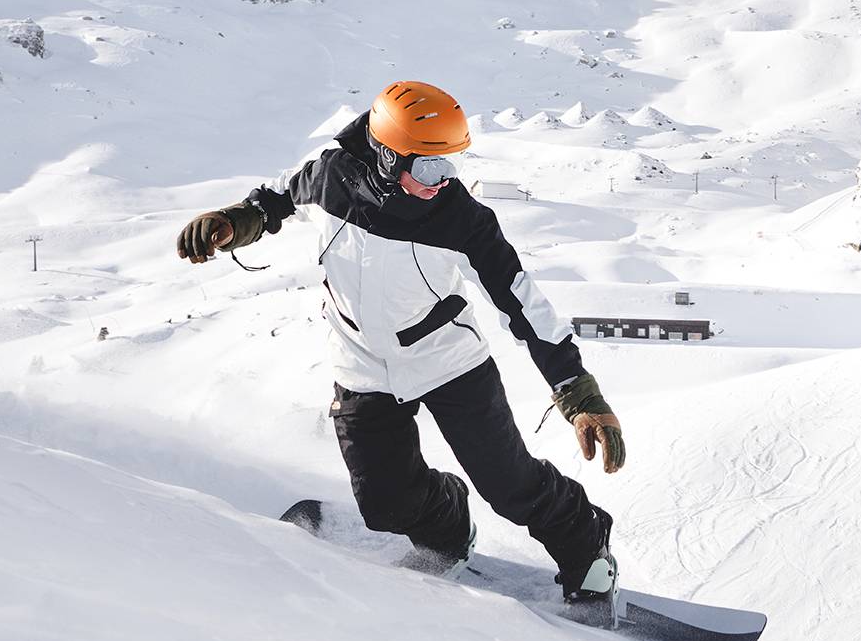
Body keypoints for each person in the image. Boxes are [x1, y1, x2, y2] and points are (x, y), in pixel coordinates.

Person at [176, 81, 622, 609]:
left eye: (451, 165)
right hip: (362, 367)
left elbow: (525, 305)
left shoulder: (462, 219)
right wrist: (234, 222)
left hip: (449, 363)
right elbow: (276, 198)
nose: (443, 182)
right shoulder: (331, 176)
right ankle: (447, 527)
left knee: (509, 486)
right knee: (385, 506)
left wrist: (577, 394)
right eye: (430, 168)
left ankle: (587, 545)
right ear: (387, 154)